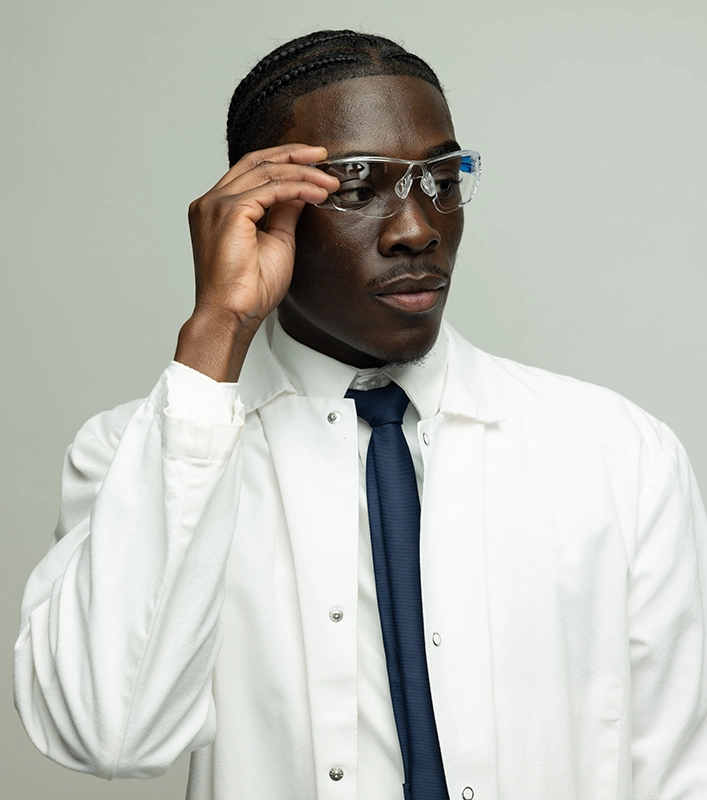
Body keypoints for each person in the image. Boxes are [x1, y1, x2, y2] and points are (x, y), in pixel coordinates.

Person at [14, 29, 707, 800]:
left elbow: (676, 774)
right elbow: (108, 735)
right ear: (263, 211)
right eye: (354, 187)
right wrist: (216, 329)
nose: (417, 229)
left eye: (440, 178)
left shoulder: (616, 454)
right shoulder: (142, 456)